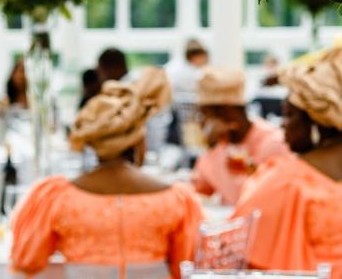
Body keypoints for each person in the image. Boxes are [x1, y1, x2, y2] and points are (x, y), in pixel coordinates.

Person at [11, 68, 202, 279]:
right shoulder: (176, 200)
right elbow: (186, 267)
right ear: (138, 140)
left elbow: (27, 261)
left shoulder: (55, 197)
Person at [232, 46, 342, 276]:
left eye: (288, 115)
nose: (282, 124)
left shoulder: (287, 179)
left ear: (314, 120)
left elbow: (240, 243)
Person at [191, 67, 289, 205]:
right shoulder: (220, 142)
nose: (200, 121)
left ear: (226, 112)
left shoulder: (272, 141)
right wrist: (211, 148)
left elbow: (248, 199)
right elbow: (201, 188)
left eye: (204, 114)